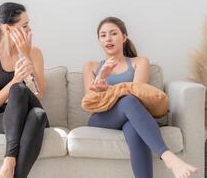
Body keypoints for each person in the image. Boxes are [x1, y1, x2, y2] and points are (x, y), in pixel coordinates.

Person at [83, 16, 197, 178]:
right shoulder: (92, 66)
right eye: (103, 35)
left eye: (113, 33)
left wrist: (106, 88)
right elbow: (89, 101)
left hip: (132, 115)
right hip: (102, 118)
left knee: (133, 126)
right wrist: (101, 76)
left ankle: (165, 161)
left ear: (124, 37)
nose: (108, 38)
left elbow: (136, 92)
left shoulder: (139, 62)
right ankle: (168, 157)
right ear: (99, 40)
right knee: (128, 101)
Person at [0, 2, 49, 178]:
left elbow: (39, 95)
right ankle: (11, 163)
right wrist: (14, 81)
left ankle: (8, 165)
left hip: (31, 111)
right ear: (8, 29)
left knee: (33, 108)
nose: (29, 30)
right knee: (21, 93)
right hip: (0, 119)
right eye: (24, 26)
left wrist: (26, 56)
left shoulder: (35, 53)